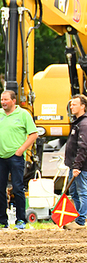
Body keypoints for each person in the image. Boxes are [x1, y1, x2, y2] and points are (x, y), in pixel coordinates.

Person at [0, 90, 38, 229]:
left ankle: (21, 220)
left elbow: (33, 134)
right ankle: (2, 220)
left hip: (15, 157)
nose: (3, 102)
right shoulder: (0, 114)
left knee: (17, 188)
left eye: (6, 100)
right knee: (0, 188)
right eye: (2, 99)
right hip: (1, 157)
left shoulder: (23, 114)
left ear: (14, 101)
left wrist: (21, 150)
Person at [63, 94, 87, 230]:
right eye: (71, 104)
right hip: (74, 165)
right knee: (74, 193)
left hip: (80, 166)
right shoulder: (78, 123)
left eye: (74, 104)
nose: (71, 107)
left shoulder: (85, 124)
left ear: (83, 106)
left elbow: (83, 147)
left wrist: (77, 166)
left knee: (82, 192)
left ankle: (81, 221)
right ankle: (76, 218)